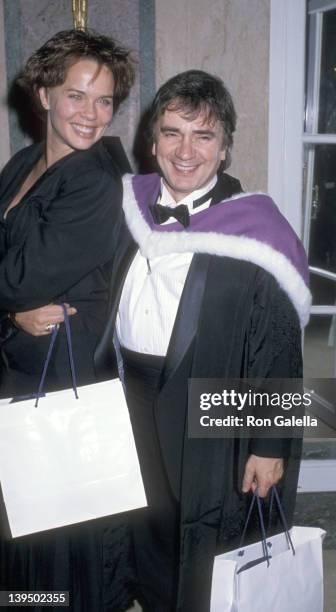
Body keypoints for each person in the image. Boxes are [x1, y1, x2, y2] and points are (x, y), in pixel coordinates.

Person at [95, 69, 311, 611]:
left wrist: (269, 445)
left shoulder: (257, 231)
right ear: (153, 140)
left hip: (210, 401)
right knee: (141, 521)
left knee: (206, 542)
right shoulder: (128, 208)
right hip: (127, 396)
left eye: (204, 135)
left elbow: (279, 346)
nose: (185, 150)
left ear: (225, 149)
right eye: (172, 132)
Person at [0, 29, 136, 611]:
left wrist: (11, 302)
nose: (92, 114)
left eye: (104, 100)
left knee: (63, 532)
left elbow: (23, 278)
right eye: (77, 96)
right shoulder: (24, 162)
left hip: (66, 377)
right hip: (23, 369)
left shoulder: (94, 182)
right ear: (44, 94)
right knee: (28, 524)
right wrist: (11, 315)